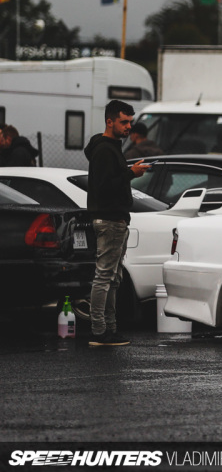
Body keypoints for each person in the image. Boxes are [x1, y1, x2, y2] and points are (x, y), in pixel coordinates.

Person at [84, 100, 150, 346]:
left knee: (113, 277)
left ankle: (108, 329)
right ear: (109, 121)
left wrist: (129, 172)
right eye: (124, 121)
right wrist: (131, 173)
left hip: (116, 219)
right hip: (110, 219)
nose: (128, 127)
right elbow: (106, 186)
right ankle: (100, 331)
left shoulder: (111, 147)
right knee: (105, 276)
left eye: (130, 122)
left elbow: (111, 181)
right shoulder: (104, 150)